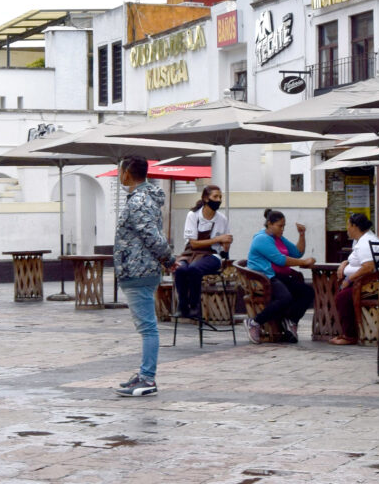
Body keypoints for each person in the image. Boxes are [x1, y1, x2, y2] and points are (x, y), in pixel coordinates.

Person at [113, 155, 176, 397]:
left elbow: (152, 236)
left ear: (127, 173)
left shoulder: (138, 201)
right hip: (137, 270)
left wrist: (169, 260)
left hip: (138, 270)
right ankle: (143, 374)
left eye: (121, 171)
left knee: (148, 328)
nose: (120, 176)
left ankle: (148, 379)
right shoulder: (142, 198)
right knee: (146, 327)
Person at [244, 209, 316, 344]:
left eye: (284, 226)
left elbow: (297, 252)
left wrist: (301, 235)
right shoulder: (261, 239)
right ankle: (254, 322)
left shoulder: (279, 238)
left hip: (279, 276)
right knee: (285, 298)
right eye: (280, 226)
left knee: (307, 292)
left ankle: (291, 320)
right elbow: (280, 259)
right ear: (269, 224)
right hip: (264, 278)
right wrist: (303, 262)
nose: (282, 229)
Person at [173, 185, 232, 319]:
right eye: (215, 197)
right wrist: (217, 238)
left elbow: (224, 249)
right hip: (190, 253)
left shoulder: (222, 219)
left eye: (220, 197)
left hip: (212, 255)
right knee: (180, 269)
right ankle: (182, 306)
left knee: (194, 269)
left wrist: (226, 244)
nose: (218, 200)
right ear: (206, 198)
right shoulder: (193, 215)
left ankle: (195, 306)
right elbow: (193, 243)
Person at [329, 213, 379, 345]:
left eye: (348, 226)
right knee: (341, 294)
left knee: (343, 297)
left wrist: (349, 280)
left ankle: (350, 336)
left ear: (354, 226)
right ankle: (346, 331)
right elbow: (356, 260)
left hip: (376, 285)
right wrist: (345, 264)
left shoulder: (366, 242)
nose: (347, 229)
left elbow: (368, 267)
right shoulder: (360, 240)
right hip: (365, 282)